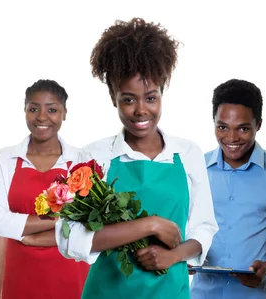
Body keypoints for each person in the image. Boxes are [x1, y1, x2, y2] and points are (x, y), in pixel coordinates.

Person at [22, 17, 218, 299]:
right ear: (113, 98)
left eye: (150, 98)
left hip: (170, 291)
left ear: (162, 94)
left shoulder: (187, 153)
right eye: (128, 99)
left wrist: (174, 255)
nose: (141, 110)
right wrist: (150, 225)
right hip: (108, 291)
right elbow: (70, 238)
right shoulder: (96, 157)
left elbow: (204, 226)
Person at [189, 79, 266, 299]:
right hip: (201, 294)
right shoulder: (195, 168)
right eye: (222, 127)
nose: (231, 138)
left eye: (243, 128)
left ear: (258, 124)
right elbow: (182, 225)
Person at [0, 79, 90, 299]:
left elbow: (89, 225)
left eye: (52, 109)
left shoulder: (82, 161)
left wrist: (25, 232)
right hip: (18, 279)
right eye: (34, 109)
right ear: (24, 111)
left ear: (64, 113)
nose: (42, 117)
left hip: (72, 280)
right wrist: (58, 219)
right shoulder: (6, 159)